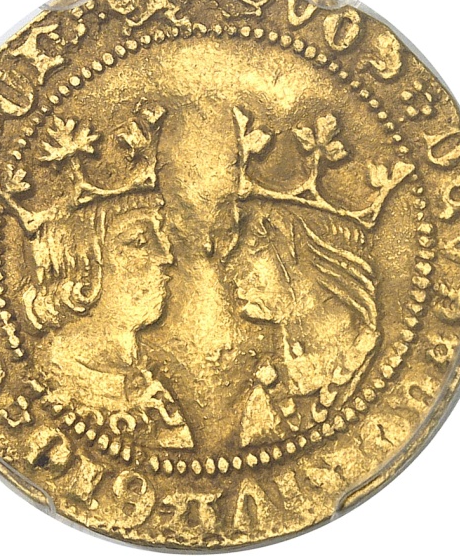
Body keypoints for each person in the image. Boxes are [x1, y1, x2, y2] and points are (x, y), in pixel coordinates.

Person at [28, 192, 194, 449]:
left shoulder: (151, 389)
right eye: (140, 242)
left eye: (160, 237)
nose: (166, 257)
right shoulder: (49, 387)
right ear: (83, 267)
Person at [225, 201, 379, 447]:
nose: (235, 274)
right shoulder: (266, 385)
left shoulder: (364, 355)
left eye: (253, 250)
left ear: (291, 247)